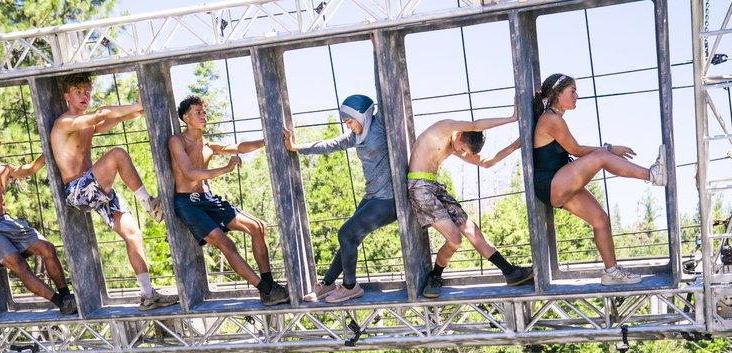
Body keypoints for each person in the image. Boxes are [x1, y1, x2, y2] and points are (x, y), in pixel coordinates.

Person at [49, 73, 177, 311]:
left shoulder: (86, 125)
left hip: (96, 187)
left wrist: (140, 109)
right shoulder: (64, 123)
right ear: (67, 96)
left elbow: (112, 120)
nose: (84, 96)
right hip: (77, 190)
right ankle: (149, 204)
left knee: (133, 234)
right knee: (117, 154)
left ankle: (148, 295)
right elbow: (100, 114)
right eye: (78, 92)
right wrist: (136, 106)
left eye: (87, 91)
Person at [531, 73, 668, 286]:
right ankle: (652, 175)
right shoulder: (551, 119)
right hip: (551, 183)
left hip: (559, 180)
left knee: (600, 220)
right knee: (601, 157)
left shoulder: (554, 118)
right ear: (558, 94)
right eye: (572, 92)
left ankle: (611, 272)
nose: (577, 96)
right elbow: (576, 150)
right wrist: (610, 149)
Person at [0, 89, 77, 315]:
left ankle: (66, 294)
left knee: (47, 248)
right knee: (20, 265)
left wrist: (52, 147)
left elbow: (31, 169)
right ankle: (59, 302)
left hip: (5, 222)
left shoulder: (5, 169)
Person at [169, 94, 288, 306]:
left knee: (258, 226)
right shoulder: (176, 141)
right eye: (198, 113)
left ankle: (270, 288)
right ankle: (265, 289)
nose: (204, 116)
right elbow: (188, 173)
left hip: (207, 199)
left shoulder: (208, 145)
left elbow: (239, 147)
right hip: (188, 204)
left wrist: (269, 139)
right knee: (227, 244)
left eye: (204, 112)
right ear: (186, 118)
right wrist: (225, 169)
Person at [407, 112, 533, 298]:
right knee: (455, 239)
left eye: (465, 152)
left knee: (472, 230)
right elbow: (475, 125)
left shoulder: (455, 145)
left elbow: (485, 162)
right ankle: (434, 277)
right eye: (462, 149)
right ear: (458, 134)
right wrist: (512, 118)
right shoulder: (443, 128)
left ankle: (510, 272)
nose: (461, 153)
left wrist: (514, 146)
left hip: (434, 186)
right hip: (419, 187)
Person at [284, 94, 394, 304]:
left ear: (363, 116)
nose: (349, 127)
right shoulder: (355, 137)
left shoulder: (380, 125)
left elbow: (385, 92)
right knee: (349, 239)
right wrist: (296, 148)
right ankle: (327, 284)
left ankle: (351, 287)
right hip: (372, 196)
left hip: (389, 199)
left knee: (345, 234)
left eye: (350, 121)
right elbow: (328, 145)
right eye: (346, 123)